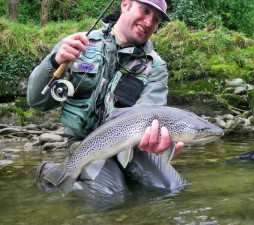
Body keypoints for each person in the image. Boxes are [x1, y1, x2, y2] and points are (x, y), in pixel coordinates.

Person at [28, 0, 186, 200]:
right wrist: (54, 62)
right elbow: (36, 102)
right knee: (111, 197)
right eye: (144, 11)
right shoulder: (78, 45)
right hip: (86, 144)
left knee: (171, 189)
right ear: (125, 4)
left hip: (131, 145)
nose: (148, 22)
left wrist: (155, 140)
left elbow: (148, 113)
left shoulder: (155, 66)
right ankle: (51, 172)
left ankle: (118, 178)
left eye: (156, 19)